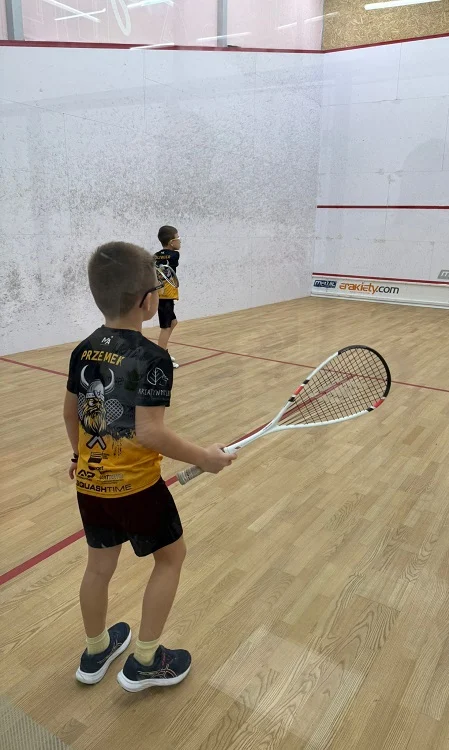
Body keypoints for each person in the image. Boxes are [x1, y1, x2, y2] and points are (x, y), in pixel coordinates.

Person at [63, 241, 235, 692]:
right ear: (147, 301)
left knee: (98, 567)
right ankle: (145, 660)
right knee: (171, 558)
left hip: (90, 484)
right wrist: (204, 458)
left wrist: (80, 455)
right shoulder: (152, 358)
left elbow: (71, 413)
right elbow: (150, 433)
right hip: (137, 488)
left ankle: (96, 649)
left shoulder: (83, 349)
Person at [154, 225, 181, 368]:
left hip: (161, 294)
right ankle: (161, 357)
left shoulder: (155, 255)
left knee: (173, 322)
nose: (180, 241)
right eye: (178, 238)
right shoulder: (175, 255)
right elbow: (171, 257)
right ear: (171, 242)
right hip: (166, 296)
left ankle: (163, 351)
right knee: (166, 327)